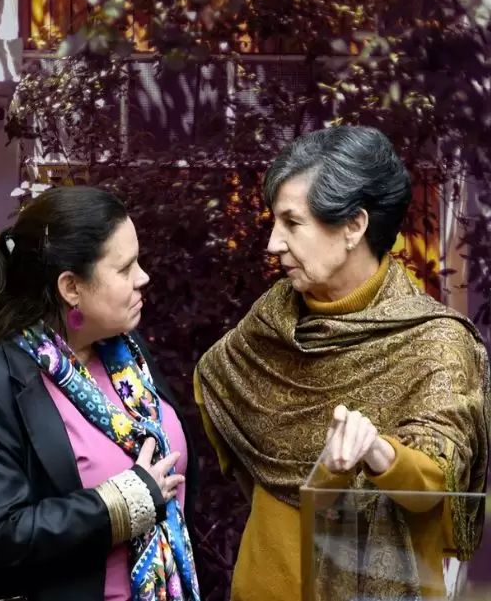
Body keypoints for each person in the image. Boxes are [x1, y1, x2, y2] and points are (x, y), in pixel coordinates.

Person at [195, 125, 490, 601]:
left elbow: (440, 479)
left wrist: (380, 454)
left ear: (354, 225)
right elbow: (214, 383)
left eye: (292, 223)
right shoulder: (268, 324)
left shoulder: (434, 342)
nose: (273, 243)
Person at [0, 186, 200, 601]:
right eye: (124, 268)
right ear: (71, 287)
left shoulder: (129, 357)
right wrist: (119, 505)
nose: (142, 277)